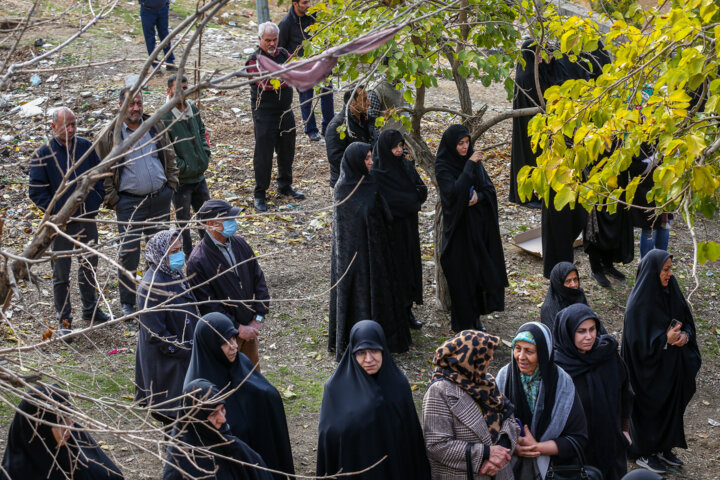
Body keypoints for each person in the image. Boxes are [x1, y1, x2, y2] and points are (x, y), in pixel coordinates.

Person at [96, 87, 178, 317]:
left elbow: (168, 154)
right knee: (129, 253)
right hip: (129, 204)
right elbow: (100, 168)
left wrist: (171, 185)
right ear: (122, 106)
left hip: (159, 199)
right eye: (131, 104)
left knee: (161, 250)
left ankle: (159, 298)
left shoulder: (153, 125)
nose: (135, 108)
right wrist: (113, 200)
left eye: (139, 103)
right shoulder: (111, 133)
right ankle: (128, 305)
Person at [28, 107, 110, 338]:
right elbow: (35, 191)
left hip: (87, 219)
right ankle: (64, 320)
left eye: (74, 124)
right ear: (54, 127)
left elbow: (99, 176)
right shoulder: (44, 153)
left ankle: (91, 308)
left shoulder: (84, 146)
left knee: (89, 267)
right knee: (61, 274)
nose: (72, 129)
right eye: (67, 126)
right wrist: (59, 214)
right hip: (60, 225)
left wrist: (93, 202)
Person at [184, 312, 295, 480]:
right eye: (225, 342)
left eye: (234, 339)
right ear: (211, 345)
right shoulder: (198, 388)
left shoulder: (240, 361)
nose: (234, 346)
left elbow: (260, 390)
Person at [317, 320, 431, 479]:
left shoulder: (398, 385)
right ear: (352, 353)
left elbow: (411, 439)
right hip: (354, 467)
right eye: (361, 352)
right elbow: (329, 439)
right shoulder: (335, 389)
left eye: (374, 351)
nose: (369, 359)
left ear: (383, 350)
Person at [621, 250, 701, 474]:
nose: (669, 274)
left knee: (669, 405)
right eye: (665, 270)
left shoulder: (672, 291)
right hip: (646, 371)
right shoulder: (638, 305)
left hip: (670, 365)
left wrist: (684, 336)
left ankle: (664, 447)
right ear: (653, 271)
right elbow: (635, 343)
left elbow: (686, 321)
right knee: (649, 409)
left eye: (670, 269)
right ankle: (644, 451)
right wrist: (664, 340)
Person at [329, 142, 408, 360]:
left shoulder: (371, 182)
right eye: (366, 159)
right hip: (355, 258)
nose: (371, 162)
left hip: (378, 252)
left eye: (371, 157)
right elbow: (344, 234)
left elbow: (383, 214)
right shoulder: (343, 190)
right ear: (355, 161)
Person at [435, 124, 507, 332]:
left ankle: (475, 319)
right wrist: (468, 167)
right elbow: (453, 194)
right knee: (461, 278)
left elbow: (489, 189)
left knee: (477, 275)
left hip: (476, 230)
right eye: (460, 143)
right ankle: (462, 324)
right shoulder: (443, 166)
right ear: (451, 144)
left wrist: (480, 197)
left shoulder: (473, 162)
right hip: (458, 232)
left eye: (467, 142)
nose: (465, 147)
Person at [495, 322, 588, 479]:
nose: (521, 357)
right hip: (509, 464)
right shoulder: (504, 378)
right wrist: (513, 446)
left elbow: (578, 438)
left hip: (553, 469)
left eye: (529, 351)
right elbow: (490, 427)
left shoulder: (562, 384)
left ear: (544, 354)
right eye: (517, 349)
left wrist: (537, 447)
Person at [423, 330, 519, 479]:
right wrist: (485, 455)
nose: (492, 358)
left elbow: (508, 416)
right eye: (486, 353)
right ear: (469, 358)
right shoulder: (439, 391)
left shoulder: (486, 382)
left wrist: (502, 452)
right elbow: (436, 445)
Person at [553, 304, 634, 480]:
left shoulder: (607, 355)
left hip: (610, 441)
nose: (589, 337)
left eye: (592, 329)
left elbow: (625, 392)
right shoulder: (558, 367)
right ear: (567, 332)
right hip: (577, 450)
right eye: (581, 331)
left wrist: (624, 428)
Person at [186, 199, 269, 369]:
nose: (234, 223)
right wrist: (237, 328)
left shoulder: (240, 244)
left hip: (249, 331)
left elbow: (258, 278)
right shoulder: (198, 261)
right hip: (224, 337)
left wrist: (258, 318)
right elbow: (208, 305)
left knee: (253, 378)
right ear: (211, 223)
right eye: (228, 219)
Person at [135, 230, 199, 425]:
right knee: (172, 414)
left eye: (180, 250)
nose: (179, 255)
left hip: (182, 356)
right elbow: (155, 333)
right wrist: (183, 350)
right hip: (166, 363)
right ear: (159, 253)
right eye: (173, 251)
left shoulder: (173, 272)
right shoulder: (151, 286)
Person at [1, 384, 124, 479]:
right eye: (59, 421)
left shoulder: (77, 444)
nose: (69, 426)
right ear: (39, 427)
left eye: (69, 417)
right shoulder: (15, 474)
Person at [245, 21, 305, 212]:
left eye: (274, 40)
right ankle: (260, 193)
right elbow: (266, 84)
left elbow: (294, 73)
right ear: (260, 39)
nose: (272, 44)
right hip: (265, 114)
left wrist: (286, 75)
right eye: (268, 40)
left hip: (285, 110)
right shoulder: (254, 60)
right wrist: (285, 76)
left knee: (287, 150)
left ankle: (285, 185)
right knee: (263, 154)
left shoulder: (284, 54)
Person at [371, 129, 427, 330]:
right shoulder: (377, 173)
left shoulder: (405, 165)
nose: (398, 150)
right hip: (390, 232)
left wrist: (411, 200)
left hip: (408, 229)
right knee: (395, 271)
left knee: (409, 269)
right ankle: (396, 313)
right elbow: (390, 203)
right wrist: (412, 203)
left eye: (401, 146)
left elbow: (422, 190)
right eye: (394, 147)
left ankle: (407, 310)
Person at [163, 378, 273, 480]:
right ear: (196, 419)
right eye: (213, 414)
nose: (222, 419)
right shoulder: (179, 463)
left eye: (222, 409)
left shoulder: (227, 442)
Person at [510, 39, 565, 206]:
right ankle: (532, 194)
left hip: (531, 124)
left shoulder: (528, 70)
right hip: (532, 125)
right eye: (537, 52)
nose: (540, 56)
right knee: (533, 157)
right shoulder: (528, 76)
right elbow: (544, 96)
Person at [163, 74, 211, 257]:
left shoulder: (192, 108)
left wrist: (205, 153)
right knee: (183, 223)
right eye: (178, 88)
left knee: (206, 217)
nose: (183, 92)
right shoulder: (165, 118)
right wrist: (183, 167)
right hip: (182, 181)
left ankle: (209, 254)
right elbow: (167, 151)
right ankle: (190, 258)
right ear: (169, 91)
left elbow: (201, 131)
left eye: (185, 87)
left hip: (199, 176)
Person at [277, 0, 334, 142]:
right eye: (304, 2)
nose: (308, 5)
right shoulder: (286, 23)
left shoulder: (315, 17)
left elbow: (326, 36)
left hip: (322, 64)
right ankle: (311, 130)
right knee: (306, 100)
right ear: (295, 4)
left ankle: (329, 128)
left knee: (327, 95)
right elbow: (280, 49)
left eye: (309, 1)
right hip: (302, 69)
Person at [325, 86, 373, 187]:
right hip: (346, 184)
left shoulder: (367, 120)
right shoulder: (337, 126)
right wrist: (364, 165)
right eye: (364, 100)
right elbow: (335, 158)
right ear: (352, 102)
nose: (369, 103)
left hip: (366, 178)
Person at [628, 144, 670, 258]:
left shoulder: (666, 136)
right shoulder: (640, 141)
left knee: (664, 225)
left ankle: (662, 264)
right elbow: (637, 169)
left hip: (665, 189)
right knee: (649, 228)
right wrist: (657, 157)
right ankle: (646, 268)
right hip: (646, 192)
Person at [539, 261, 587, 329]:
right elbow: (556, 337)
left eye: (575, 279)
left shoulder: (578, 295)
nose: (573, 285)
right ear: (558, 283)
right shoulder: (550, 308)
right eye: (568, 281)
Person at [138, 0, 177, 71]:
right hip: (147, 10)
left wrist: (166, 4)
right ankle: (154, 63)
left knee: (165, 35)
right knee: (150, 38)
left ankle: (170, 62)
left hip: (162, 8)